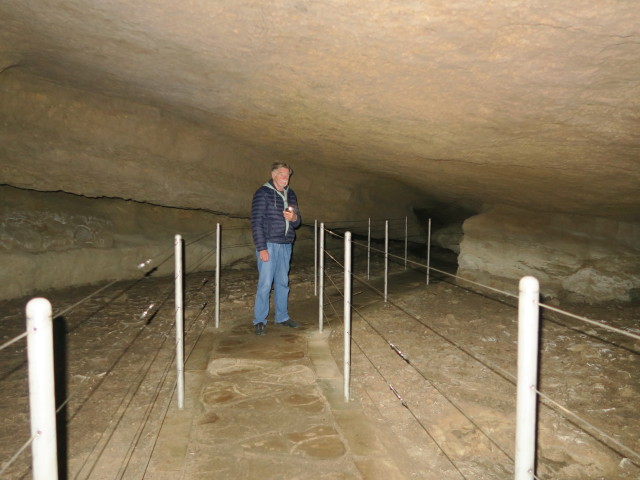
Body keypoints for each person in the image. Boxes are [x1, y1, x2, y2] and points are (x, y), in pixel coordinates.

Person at [250, 162, 301, 335]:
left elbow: (298, 221)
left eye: (287, 175)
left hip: (286, 244)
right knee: (265, 284)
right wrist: (261, 248)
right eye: (282, 174)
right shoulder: (262, 193)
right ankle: (259, 321)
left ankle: (282, 317)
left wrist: (294, 217)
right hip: (269, 245)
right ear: (273, 175)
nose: (285, 178)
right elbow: (256, 222)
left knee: (282, 283)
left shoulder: (291, 194)